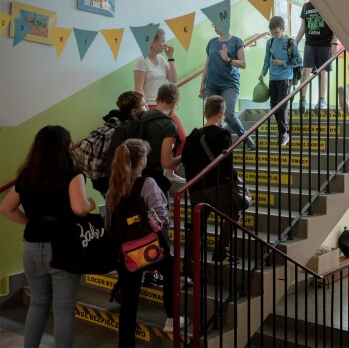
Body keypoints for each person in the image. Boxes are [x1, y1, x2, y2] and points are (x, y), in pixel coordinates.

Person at [0, 125, 96, 348]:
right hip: (63, 246)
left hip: (32, 246)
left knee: (38, 303)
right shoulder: (72, 174)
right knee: (63, 309)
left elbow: (6, 208)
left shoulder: (26, 175)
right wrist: (91, 203)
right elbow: (80, 208)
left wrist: (31, 222)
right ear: (64, 146)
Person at [105, 139, 184, 345]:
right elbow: (162, 217)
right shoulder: (147, 183)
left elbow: (108, 224)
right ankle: (171, 317)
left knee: (129, 305)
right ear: (141, 160)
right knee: (171, 266)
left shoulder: (113, 186)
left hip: (126, 254)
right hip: (148, 250)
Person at [181, 96, 240, 264]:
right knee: (232, 214)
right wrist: (232, 180)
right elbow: (227, 164)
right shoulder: (223, 134)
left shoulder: (192, 136)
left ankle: (190, 264)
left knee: (197, 224)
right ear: (222, 113)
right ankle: (222, 253)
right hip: (216, 186)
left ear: (205, 113)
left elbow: (185, 161)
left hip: (195, 188)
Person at [133, 27, 186, 182]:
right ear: (153, 42)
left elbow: (174, 79)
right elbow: (138, 88)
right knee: (152, 146)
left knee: (183, 138)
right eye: (162, 41)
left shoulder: (162, 60)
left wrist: (170, 57)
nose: (165, 44)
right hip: (149, 107)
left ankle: (170, 172)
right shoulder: (141, 60)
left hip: (166, 106)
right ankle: (150, 177)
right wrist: (143, 109)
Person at [199, 25, 256, 150]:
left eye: (216, 23)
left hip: (229, 84)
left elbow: (243, 64)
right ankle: (217, 146)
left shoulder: (236, 41)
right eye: (213, 24)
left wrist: (228, 60)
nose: (214, 27)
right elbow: (207, 64)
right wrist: (202, 83)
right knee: (213, 116)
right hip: (212, 85)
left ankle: (246, 138)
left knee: (229, 114)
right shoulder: (212, 43)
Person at [260, 16, 303, 147]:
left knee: (282, 106)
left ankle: (283, 133)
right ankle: (284, 131)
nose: (274, 35)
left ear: (283, 29)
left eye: (276, 32)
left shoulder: (290, 42)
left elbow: (299, 61)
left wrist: (283, 63)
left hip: (286, 79)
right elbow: (267, 59)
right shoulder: (270, 42)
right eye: (272, 33)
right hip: (273, 79)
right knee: (273, 107)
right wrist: (263, 72)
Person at [295, 1, 339, 110]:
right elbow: (302, 28)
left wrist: (334, 43)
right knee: (306, 71)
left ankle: (322, 100)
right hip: (309, 44)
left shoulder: (325, 3)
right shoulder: (306, 6)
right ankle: (302, 100)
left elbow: (335, 25)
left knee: (322, 71)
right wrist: (294, 44)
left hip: (325, 44)